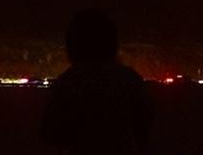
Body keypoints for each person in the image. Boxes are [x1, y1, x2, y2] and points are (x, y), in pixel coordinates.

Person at [41, 9, 153, 154]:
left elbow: (50, 134)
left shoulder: (70, 82)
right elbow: (144, 127)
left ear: (74, 45)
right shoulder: (129, 80)